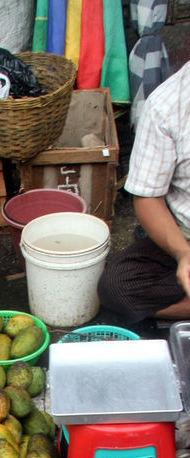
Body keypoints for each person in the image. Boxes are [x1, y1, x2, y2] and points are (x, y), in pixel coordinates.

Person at [98, 61, 190, 324]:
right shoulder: (166, 106)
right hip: (185, 233)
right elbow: (148, 197)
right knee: (117, 288)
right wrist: (183, 254)